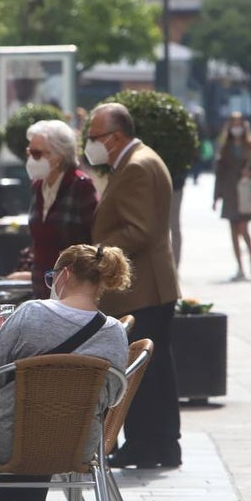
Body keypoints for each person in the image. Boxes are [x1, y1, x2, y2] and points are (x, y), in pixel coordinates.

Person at [0, 244, 130, 501]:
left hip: (7, 437)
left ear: (64, 275)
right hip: (77, 445)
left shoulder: (30, 313)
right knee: (42, 435)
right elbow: (110, 397)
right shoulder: (114, 332)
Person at [87, 102, 181, 470]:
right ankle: (156, 444)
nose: (90, 143)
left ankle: (148, 445)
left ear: (115, 136)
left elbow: (138, 231)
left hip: (143, 288)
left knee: (145, 374)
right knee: (154, 372)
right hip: (147, 286)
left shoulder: (138, 166)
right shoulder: (134, 162)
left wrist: (96, 254)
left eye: (94, 136)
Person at [21, 120, 98, 299]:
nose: (30, 159)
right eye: (29, 152)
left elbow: (94, 239)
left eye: (36, 153)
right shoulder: (38, 186)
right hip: (41, 287)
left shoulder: (81, 186)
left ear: (58, 156)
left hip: (72, 289)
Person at [212, 112, 251, 281]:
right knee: (233, 230)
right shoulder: (224, 147)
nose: (236, 127)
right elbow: (219, 174)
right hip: (230, 192)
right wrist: (216, 197)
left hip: (246, 192)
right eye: (233, 124)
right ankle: (239, 266)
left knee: (244, 228)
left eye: (239, 124)